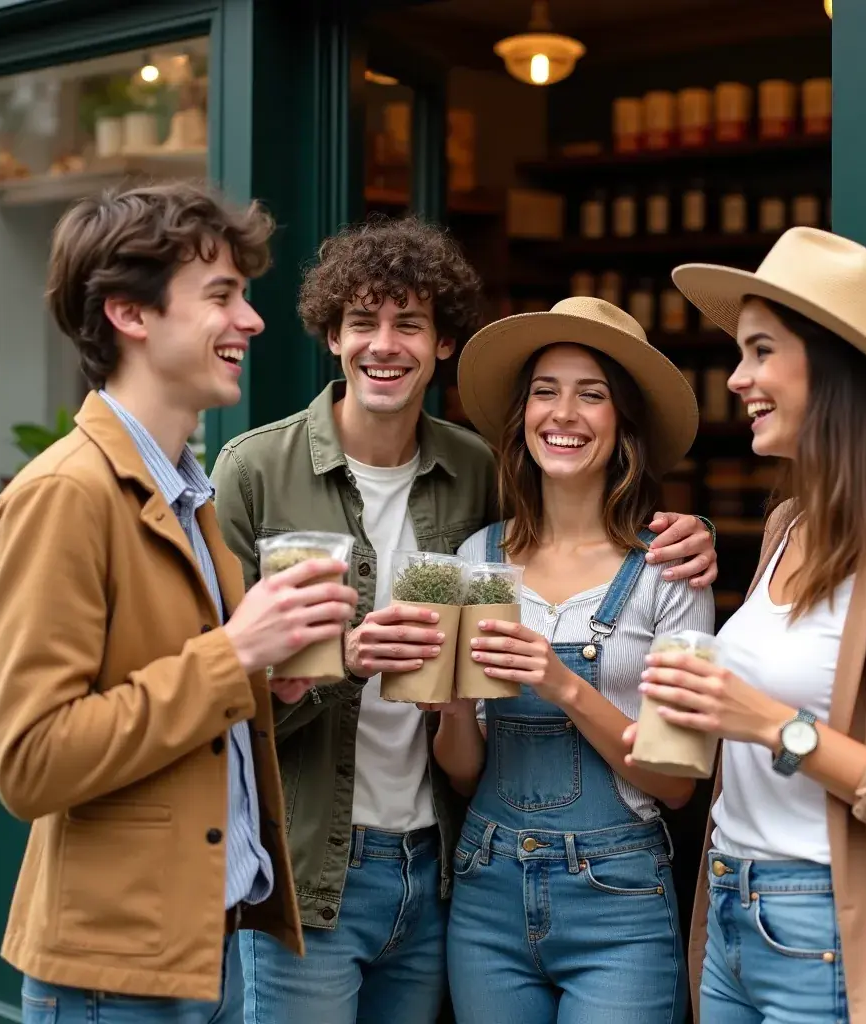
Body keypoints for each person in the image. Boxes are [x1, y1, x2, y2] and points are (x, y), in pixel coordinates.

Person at [210, 216, 719, 1024]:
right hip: (321, 870)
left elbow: (676, 771)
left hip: (448, 869)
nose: (385, 345)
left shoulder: (477, 479)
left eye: (409, 323)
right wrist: (342, 658)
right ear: (331, 335)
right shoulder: (254, 473)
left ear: (443, 342)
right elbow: (212, 685)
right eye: (364, 322)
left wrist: (684, 534)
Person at [0, 182, 359, 1024]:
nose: (253, 321)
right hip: (113, 982)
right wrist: (236, 654)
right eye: (222, 296)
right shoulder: (66, 494)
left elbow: (173, 698)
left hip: (208, 952)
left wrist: (267, 682)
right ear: (130, 314)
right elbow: (31, 762)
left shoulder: (189, 494)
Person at [626, 227, 866, 1024]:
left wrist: (772, 726)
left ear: (835, 369)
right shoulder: (787, 525)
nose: (737, 378)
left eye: (762, 351)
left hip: (826, 926)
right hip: (728, 905)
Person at [429, 296, 714, 1024]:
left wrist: (561, 684)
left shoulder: (668, 574)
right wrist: (452, 699)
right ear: (521, 419)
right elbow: (464, 771)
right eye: (544, 393)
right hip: (486, 887)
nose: (564, 414)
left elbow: (677, 783)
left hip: (618, 898)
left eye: (591, 395)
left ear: (622, 425)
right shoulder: (476, 560)